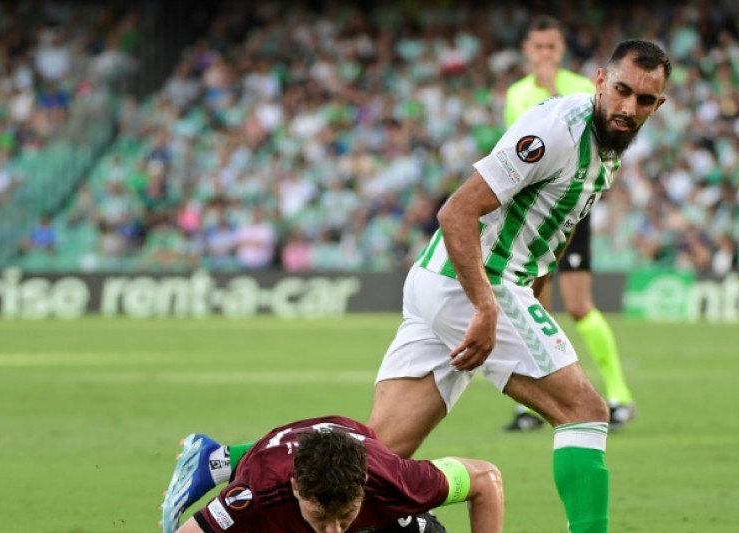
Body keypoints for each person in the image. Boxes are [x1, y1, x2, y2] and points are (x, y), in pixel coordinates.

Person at [365, 41, 669, 533]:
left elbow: (555, 229)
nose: (629, 108)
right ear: (598, 81)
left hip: (439, 281)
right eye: (622, 91)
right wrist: (486, 308)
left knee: (380, 453)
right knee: (584, 412)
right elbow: (456, 212)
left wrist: (536, 303)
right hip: (476, 283)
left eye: (645, 100)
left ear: (660, 104)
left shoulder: (610, 144)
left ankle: (227, 468)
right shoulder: (556, 133)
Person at [502, 16, 636, 431]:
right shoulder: (517, 94)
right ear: (527, 50)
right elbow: (521, 146)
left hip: (572, 211)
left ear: (561, 50)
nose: (545, 54)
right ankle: (533, 406)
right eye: (538, 47)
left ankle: (618, 395)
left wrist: (552, 89)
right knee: (530, 306)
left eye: (551, 47)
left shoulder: (581, 87)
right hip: (530, 216)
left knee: (578, 305)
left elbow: (588, 135)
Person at [160, 416, 503, 533]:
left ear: (364, 488)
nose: (334, 532)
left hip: (357, 442)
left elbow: (486, 480)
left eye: (345, 516)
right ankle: (218, 461)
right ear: (296, 488)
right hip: (270, 462)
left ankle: (217, 460)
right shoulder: (255, 493)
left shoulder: (397, 480)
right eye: (321, 516)